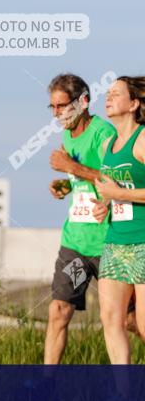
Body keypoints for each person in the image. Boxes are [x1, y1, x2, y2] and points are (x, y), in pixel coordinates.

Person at [43, 73, 117, 364]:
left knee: (128, 321)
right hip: (76, 242)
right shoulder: (66, 134)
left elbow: (115, 178)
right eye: (53, 107)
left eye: (62, 106)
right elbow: (82, 181)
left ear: (83, 101)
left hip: (109, 242)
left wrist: (71, 165)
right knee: (59, 310)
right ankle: (46, 387)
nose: (57, 113)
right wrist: (64, 186)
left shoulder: (104, 133)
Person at [92, 76, 145, 364]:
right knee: (111, 319)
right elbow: (116, 192)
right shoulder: (110, 145)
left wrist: (114, 192)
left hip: (143, 241)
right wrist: (105, 204)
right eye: (107, 93)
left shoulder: (143, 139)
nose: (108, 98)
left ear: (134, 103)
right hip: (116, 241)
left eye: (116, 94)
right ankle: (124, 400)